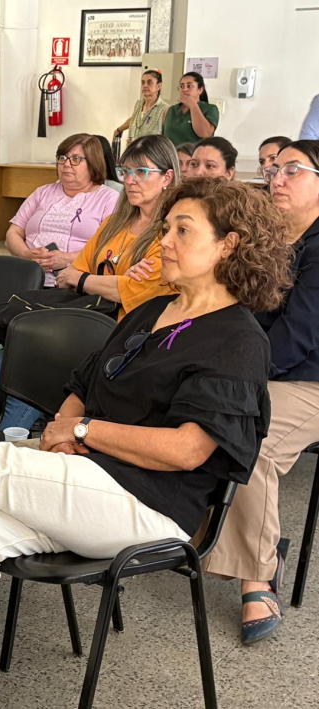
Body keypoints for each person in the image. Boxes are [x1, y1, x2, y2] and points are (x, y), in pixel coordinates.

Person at [0, 177, 291, 709]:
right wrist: (63, 435)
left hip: (152, 506)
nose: (163, 240)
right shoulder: (150, 311)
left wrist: (81, 432)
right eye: (165, 228)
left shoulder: (236, 339)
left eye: (182, 230)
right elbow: (85, 384)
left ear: (228, 245)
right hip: (89, 477)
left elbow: (188, 449)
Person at [0, 135, 181, 431]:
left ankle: (4, 447)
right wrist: (105, 280)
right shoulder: (115, 223)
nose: (130, 181)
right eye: (125, 172)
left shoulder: (169, 235)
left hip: (123, 332)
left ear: (167, 177)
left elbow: (131, 292)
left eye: (141, 172)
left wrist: (88, 280)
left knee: (29, 368)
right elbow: (70, 275)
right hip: (83, 316)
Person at [203, 139, 319, 644]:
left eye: (293, 170)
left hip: (309, 380)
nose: (277, 178)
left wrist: (235, 376)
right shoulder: (268, 238)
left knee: (253, 437)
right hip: (259, 370)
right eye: (273, 169)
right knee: (193, 410)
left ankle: (259, 575)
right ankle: (230, 537)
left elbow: (299, 335)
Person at [4, 134, 119, 287]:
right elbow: (13, 233)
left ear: (93, 164)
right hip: (27, 276)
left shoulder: (108, 198)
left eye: (76, 159)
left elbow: (111, 247)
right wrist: (27, 255)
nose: (66, 164)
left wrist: (68, 258)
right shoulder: (42, 192)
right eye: (62, 158)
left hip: (74, 283)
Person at [113, 69, 170, 145]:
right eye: (143, 83)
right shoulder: (138, 104)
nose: (145, 85)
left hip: (150, 154)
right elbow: (134, 119)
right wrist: (119, 129)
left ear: (158, 86)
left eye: (149, 83)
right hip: (132, 152)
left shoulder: (164, 109)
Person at [163, 72, 219, 146]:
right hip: (171, 155)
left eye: (189, 86)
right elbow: (163, 137)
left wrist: (193, 105)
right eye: (182, 86)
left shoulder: (210, 109)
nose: (185, 89)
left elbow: (205, 133)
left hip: (194, 155)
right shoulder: (171, 110)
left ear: (200, 90)